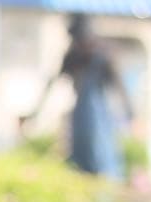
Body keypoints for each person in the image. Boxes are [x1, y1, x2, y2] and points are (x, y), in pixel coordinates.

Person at [24, 14, 133, 179]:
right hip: (80, 118)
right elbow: (52, 83)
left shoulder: (102, 56)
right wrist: (35, 113)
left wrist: (131, 113)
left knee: (102, 160)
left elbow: (119, 86)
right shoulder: (73, 56)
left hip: (100, 119)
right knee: (80, 163)